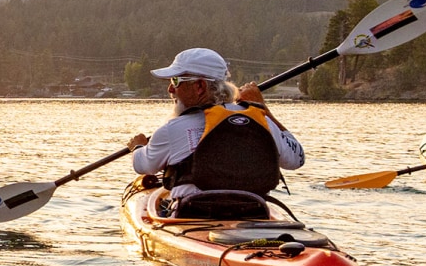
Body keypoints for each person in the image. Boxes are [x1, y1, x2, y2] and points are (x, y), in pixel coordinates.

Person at [125, 47, 305, 215]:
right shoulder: (260, 120)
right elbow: (297, 159)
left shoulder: (172, 130)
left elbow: (143, 166)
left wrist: (138, 147)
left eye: (176, 81)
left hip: (192, 216)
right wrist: (263, 109)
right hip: (253, 212)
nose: (170, 89)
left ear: (200, 86)